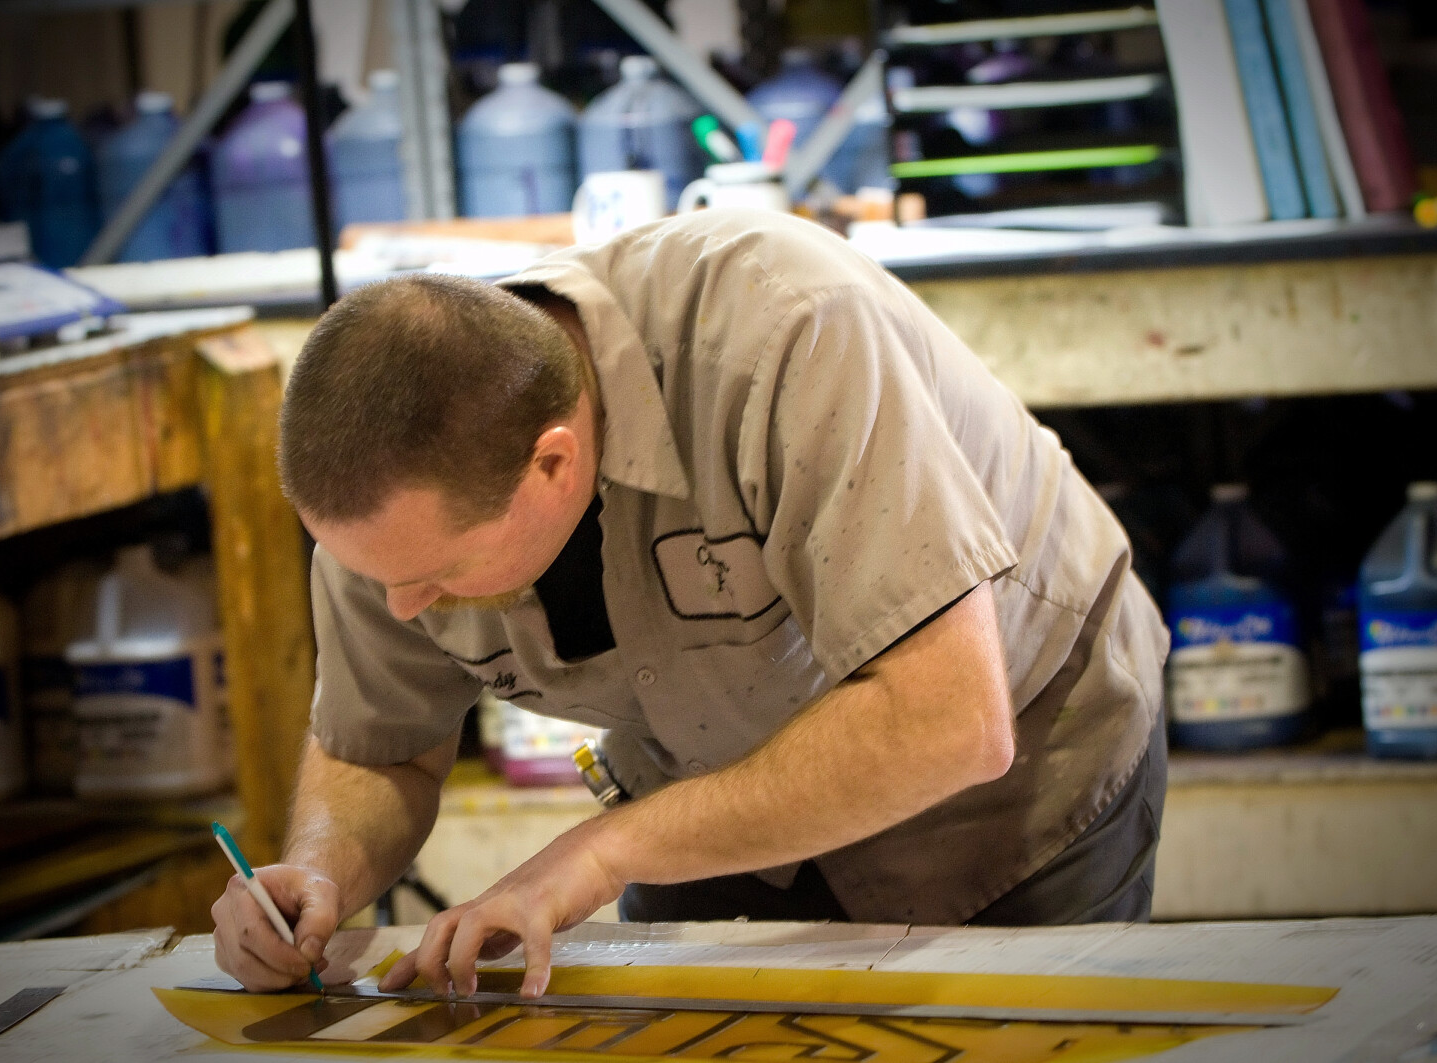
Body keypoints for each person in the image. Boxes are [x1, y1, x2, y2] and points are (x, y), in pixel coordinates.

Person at [211, 209, 1170, 1001]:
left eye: (436, 573)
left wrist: (602, 851)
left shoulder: (788, 331)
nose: (401, 605)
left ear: (553, 461)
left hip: (1013, 771)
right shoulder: (395, 508)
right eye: (369, 572)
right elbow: (378, 748)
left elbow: (948, 721)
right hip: (708, 777)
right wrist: (321, 870)